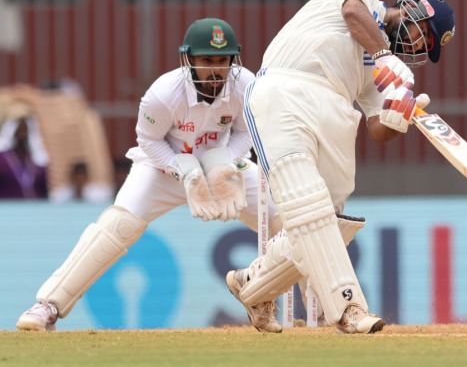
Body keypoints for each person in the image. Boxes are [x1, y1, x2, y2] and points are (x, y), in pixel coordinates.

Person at [16, 18, 284, 332]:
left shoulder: (245, 85)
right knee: (119, 225)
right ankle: (47, 305)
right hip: (162, 168)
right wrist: (183, 170)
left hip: (218, 168)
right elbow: (148, 140)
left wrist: (222, 162)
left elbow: (246, 132)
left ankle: (313, 302)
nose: (216, 70)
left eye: (223, 61)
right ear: (189, 60)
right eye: (207, 60)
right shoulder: (163, 93)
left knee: (284, 220)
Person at [225, 0, 455, 334]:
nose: (415, 47)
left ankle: (253, 285)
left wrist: (401, 115)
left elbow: (378, 129)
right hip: (285, 88)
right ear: (411, 9)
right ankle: (349, 308)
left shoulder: (382, 71)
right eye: (420, 35)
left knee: (331, 221)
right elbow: (351, 13)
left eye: (424, 47)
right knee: (307, 204)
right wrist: (382, 55)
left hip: (336, 111)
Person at [0, 114, 49, 199]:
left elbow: (44, 190)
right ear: (13, 133)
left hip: (33, 209)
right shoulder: (2, 159)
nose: (23, 135)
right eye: (20, 130)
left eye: (25, 130)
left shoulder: (37, 159)